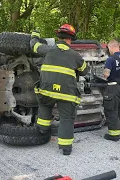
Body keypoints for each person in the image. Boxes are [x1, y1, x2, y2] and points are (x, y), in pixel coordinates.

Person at [30, 24, 89, 155]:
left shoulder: (48, 50)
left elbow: (33, 45)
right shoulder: (76, 56)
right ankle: (66, 148)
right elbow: (85, 71)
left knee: (45, 106)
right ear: (71, 39)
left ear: (59, 37)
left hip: (46, 91)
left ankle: (43, 129)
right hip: (66, 94)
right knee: (66, 118)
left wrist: (35, 34)